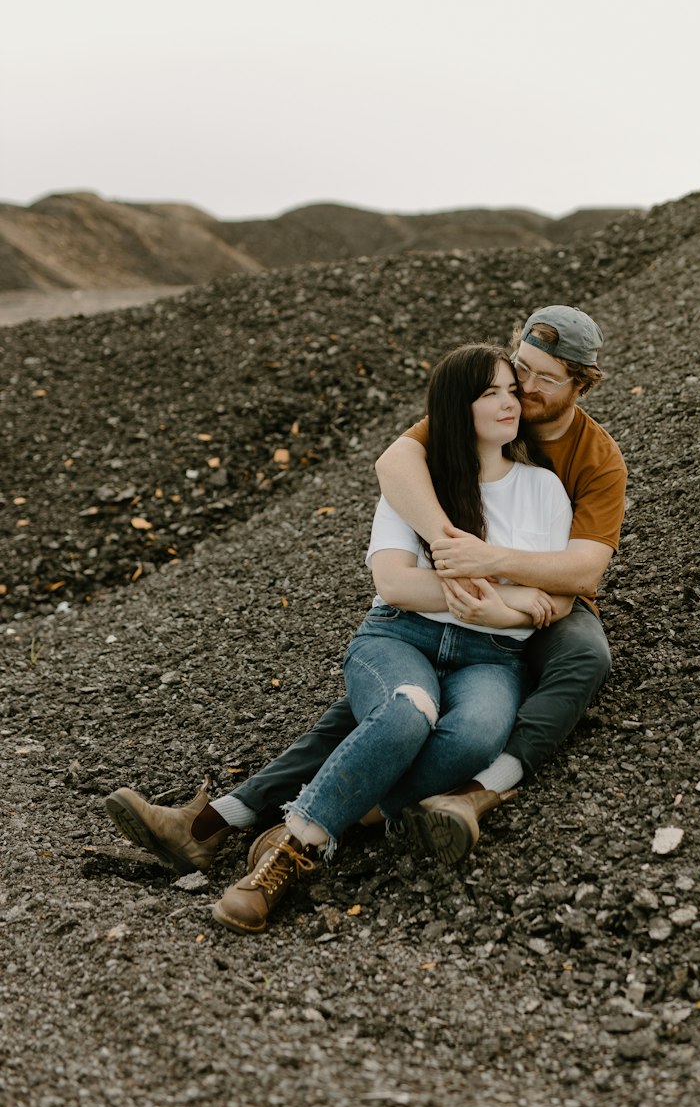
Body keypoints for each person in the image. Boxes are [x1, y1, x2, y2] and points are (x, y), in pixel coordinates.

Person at [105, 304, 626, 874]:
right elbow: (397, 462)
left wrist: (492, 574)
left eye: (543, 379)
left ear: (581, 385)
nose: (523, 388)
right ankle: (216, 821)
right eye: (520, 368)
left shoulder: (594, 459)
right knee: (384, 710)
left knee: (584, 656)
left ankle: (475, 792)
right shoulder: (487, 405)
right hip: (448, 595)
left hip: (534, 599)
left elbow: (582, 572)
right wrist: (451, 549)